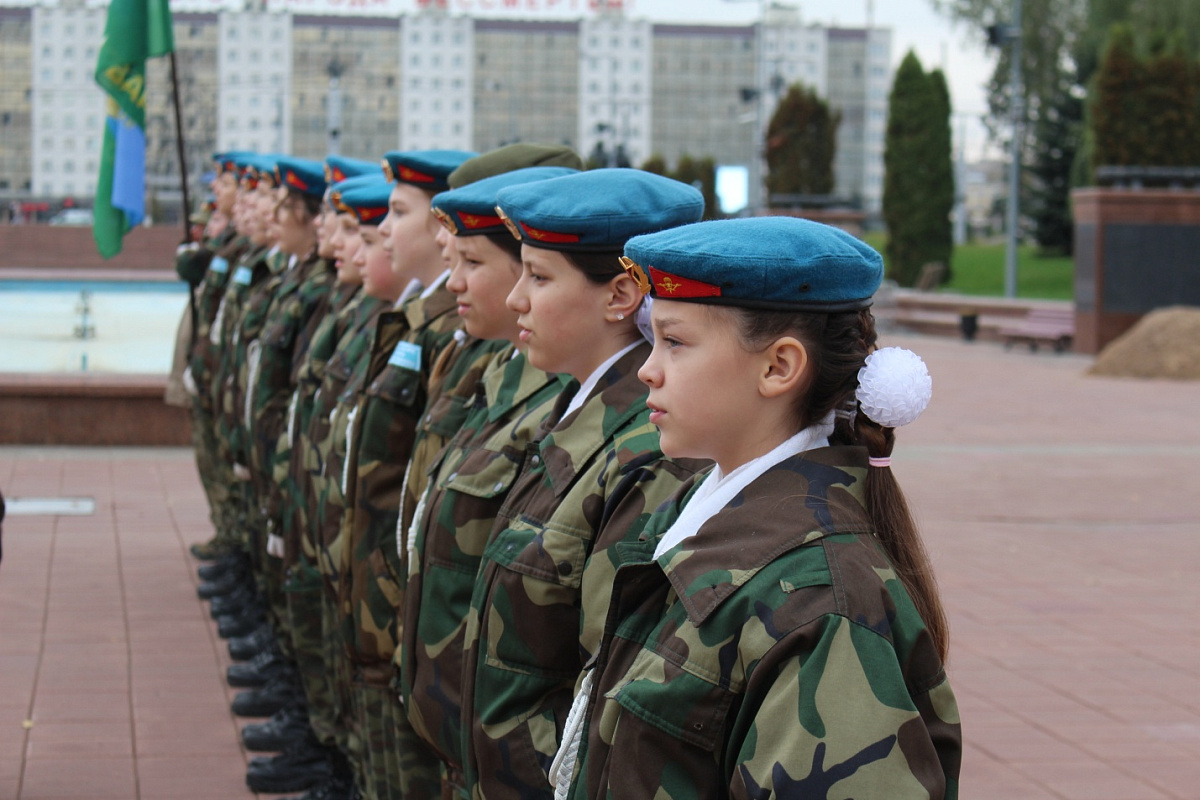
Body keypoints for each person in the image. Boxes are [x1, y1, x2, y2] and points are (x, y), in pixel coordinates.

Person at [549, 216, 962, 800]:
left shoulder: (820, 604)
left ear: (778, 367)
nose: (647, 368)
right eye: (653, 338)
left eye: (675, 342)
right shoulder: (700, 512)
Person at [459, 168, 707, 800]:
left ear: (620, 295)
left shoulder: (648, 453)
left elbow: (604, 686)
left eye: (538, 277)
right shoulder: (574, 409)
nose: (516, 299)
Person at [398, 160, 580, 799]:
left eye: (538, 275)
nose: (516, 298)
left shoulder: (604, 427)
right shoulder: (501, 371)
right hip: (458, 728)